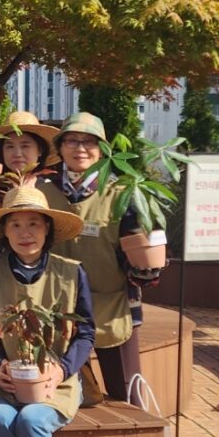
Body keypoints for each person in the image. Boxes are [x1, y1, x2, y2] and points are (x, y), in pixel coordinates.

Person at [40, 112, 160, 406]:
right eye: (71, 141)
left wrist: (147, 266)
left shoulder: (123, 191)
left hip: (114, 304)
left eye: (89, 142)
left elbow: (144, 244)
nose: (80, 148)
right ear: (60, 147)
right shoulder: (43, 191)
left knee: (128, 392)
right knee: (64, 395)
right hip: (56, 308)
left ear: (103, 150)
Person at [0, 187, 96, 437]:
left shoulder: (71, 272)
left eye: (33, 224)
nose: (24, 233)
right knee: (1, 419)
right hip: (8, 382)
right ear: (4, 231)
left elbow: (85, 333)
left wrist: (62, 370)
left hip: (56, 382)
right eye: (15, 224)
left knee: (32, 420)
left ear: (47, 228)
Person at [0, 111, 60, 259]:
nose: (17, 153)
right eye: (9, 146)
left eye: (25, 146)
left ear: (40, 150)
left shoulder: (53, 190)